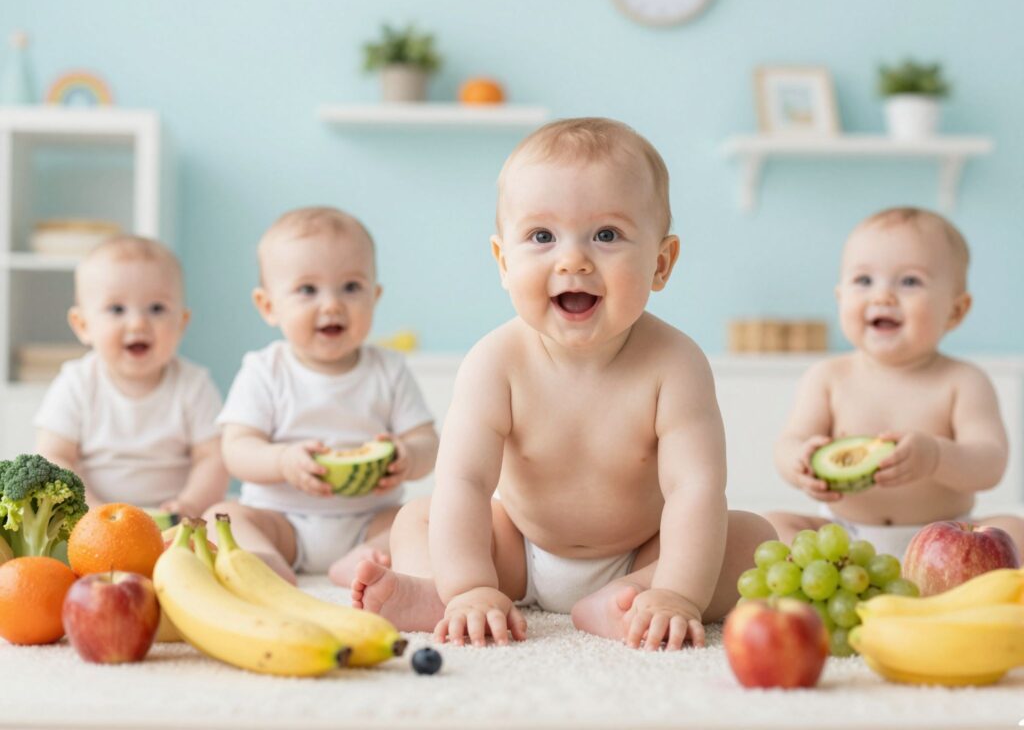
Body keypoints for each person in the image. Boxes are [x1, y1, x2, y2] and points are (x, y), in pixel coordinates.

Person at [351, 118, 775, 650]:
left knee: (753, 539)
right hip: (518, 551)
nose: (572, 259)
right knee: (420, 518)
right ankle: (450, 598)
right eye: (542, 237)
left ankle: (633, 599)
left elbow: (694, 490)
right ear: (504, 263)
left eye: (606, 235)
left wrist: (678, 593)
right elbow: (465, 482)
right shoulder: (494, 362)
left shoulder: (676, 364)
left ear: (661, 264)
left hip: (646, 552)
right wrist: (470, 583)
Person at [766, 207, 1023, 557]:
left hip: (946, 539)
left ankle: (940, 586)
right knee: (772, 526)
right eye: (864, 280)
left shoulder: (963, 381)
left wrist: (935, 456)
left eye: (910, 281)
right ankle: (844, 584)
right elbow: (790, 441)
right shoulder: (828, 377)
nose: (882, 296)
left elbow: (990, 464)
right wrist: (800, 461)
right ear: (841, 298)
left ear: (956, 310)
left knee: (1013, 530)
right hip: (844, 537)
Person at [205, 207, 438, 583]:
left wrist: (409, 456)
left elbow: (427, 441)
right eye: (307, 290)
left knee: (429, 514)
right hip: (281, 521)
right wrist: (281, 461)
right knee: (222, 516)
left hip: (370, 520)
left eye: (351, 287)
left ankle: (366, 559)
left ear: (374, 297)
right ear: (269, 306)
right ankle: (263, 562)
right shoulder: (265, 369)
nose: (331, 304)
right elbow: (235, 450)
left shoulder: (389, 369)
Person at [35, 236, 228, 517]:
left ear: (181, 323)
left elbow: (214, 457)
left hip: (173, 521)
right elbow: (54, 455)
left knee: (227, 514)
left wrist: (191, 504)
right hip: (92, 520)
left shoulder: (193, 385)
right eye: (117, 309)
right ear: (83, 325)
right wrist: (91, 508)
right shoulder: (76, 383)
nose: (138, 322)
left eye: (157, 308)